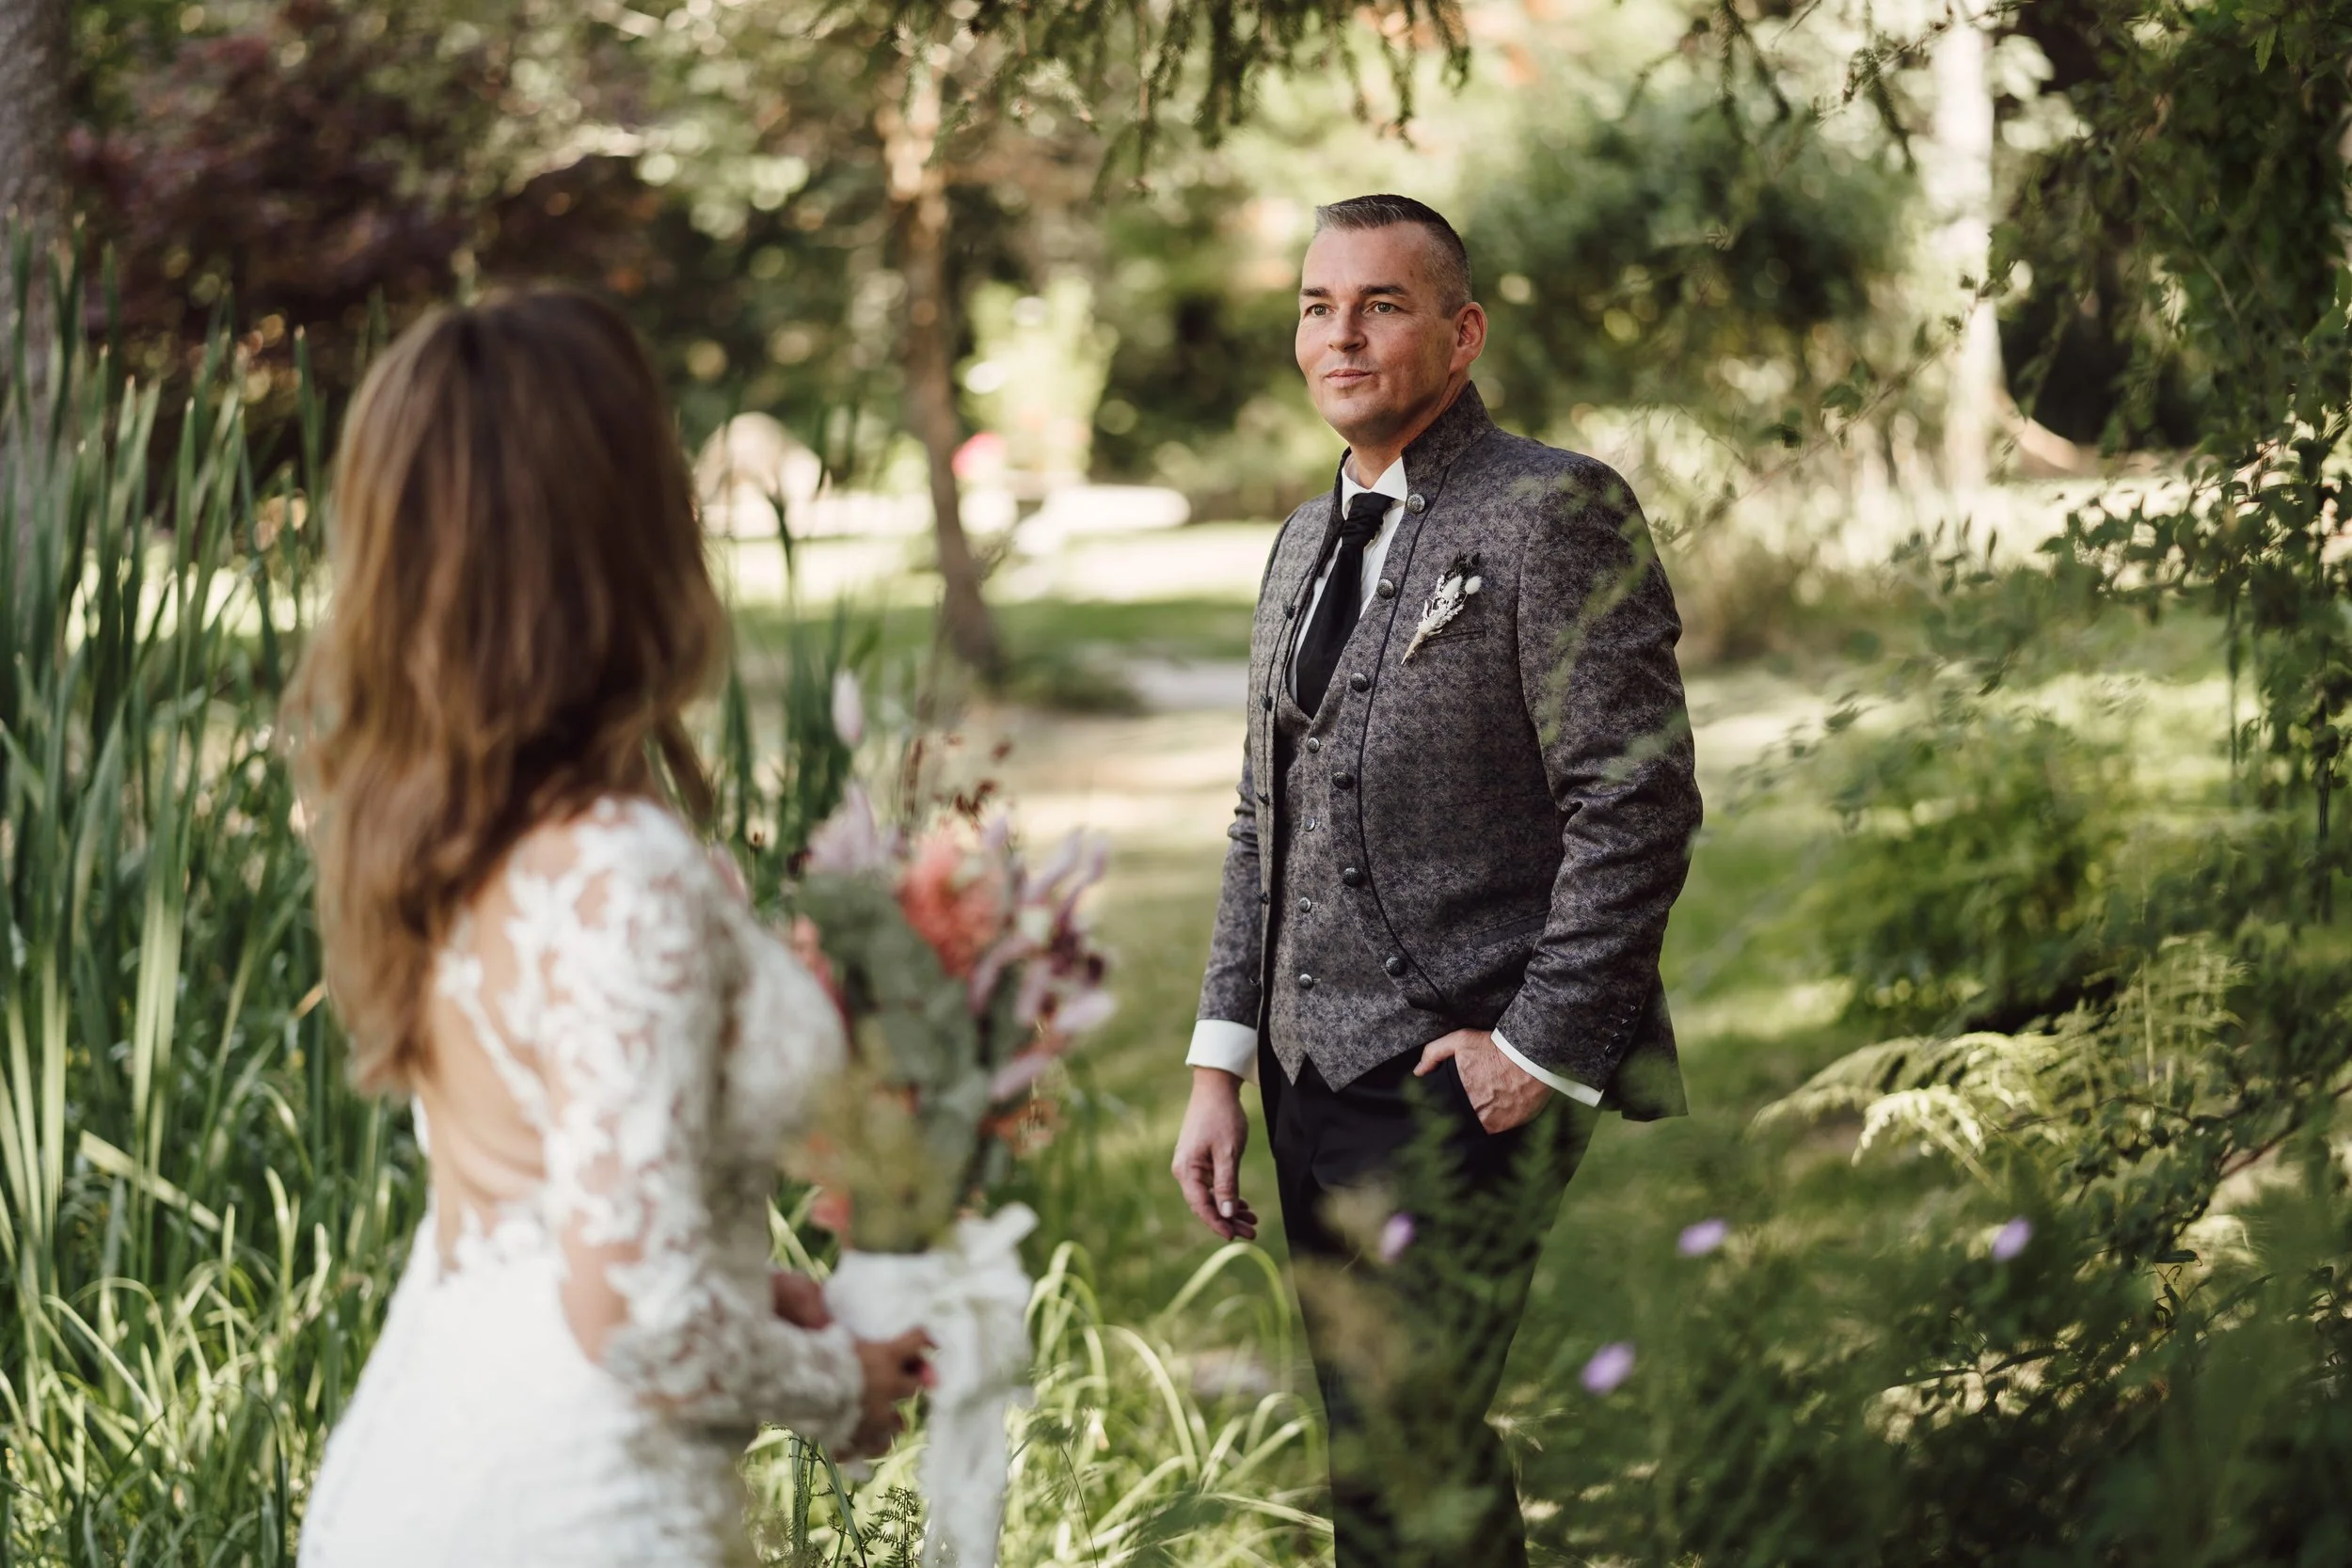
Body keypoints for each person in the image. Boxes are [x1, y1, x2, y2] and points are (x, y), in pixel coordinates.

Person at [291, 288, 929, 1567]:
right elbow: (636, 1316)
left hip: (427, 1456)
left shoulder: (453, 830)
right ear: (614, 522)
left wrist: (750, 1295)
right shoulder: (616, 870)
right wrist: (835, 1379)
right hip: (579, 1505)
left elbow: (567, 1205)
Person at [1169, 195, 1703, 1566]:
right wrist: (1220, 1063)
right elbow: (1261, 819)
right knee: (1390, 1456)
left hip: (1461, 1076)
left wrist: (1539, 1046)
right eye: (1316, 304)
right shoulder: (1300, 540)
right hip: (1305, 1080)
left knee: (1406, 1450)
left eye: (1381, 304)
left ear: (1461, 336)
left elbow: (1636, 799)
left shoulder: (1553, 509)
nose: (1339, 333)